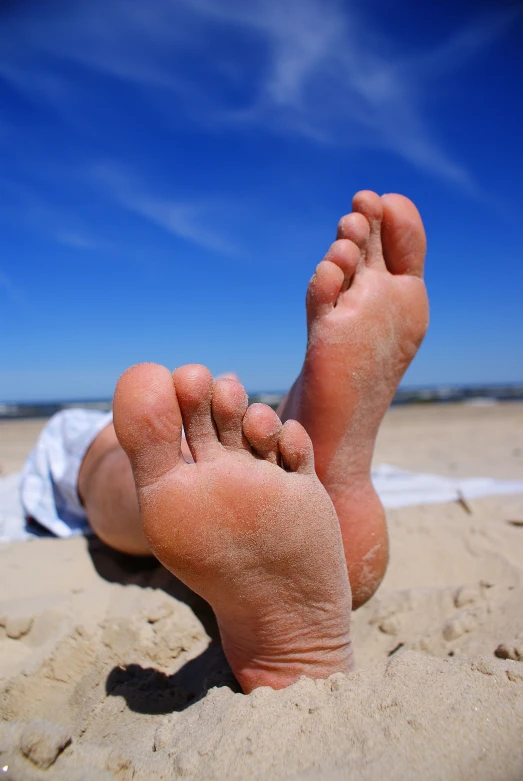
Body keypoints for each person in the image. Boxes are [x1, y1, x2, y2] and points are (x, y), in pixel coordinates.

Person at [21, 190, 428, 693]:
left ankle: (248, 447)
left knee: (105, 462)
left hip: (133, 442)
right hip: (221, 431)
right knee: (174, 446)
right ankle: (297, 439)